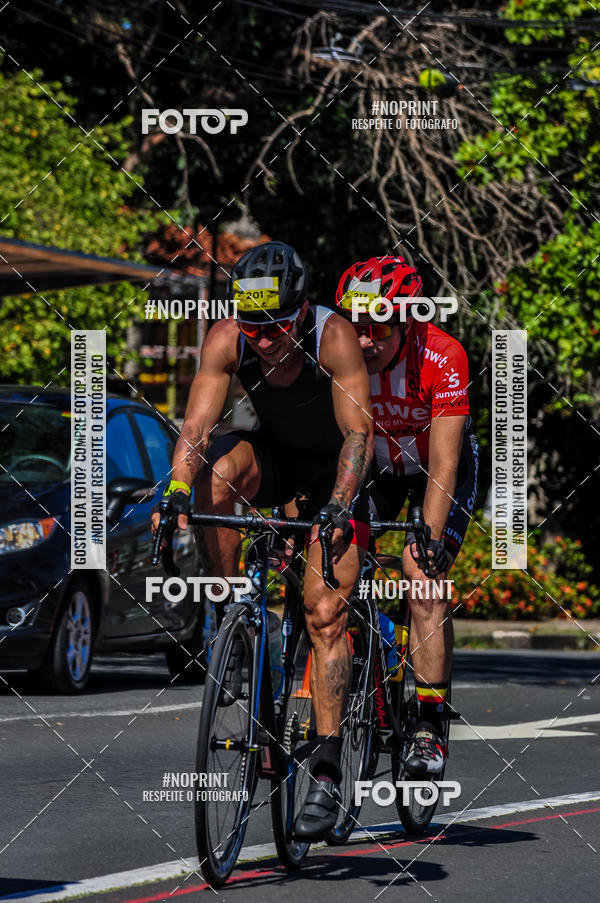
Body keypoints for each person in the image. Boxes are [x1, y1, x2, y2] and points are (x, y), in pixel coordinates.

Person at [152, 241, 373, 838]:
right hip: (277, 457)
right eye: (254, 326)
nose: (265, 338)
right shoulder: (229, 338)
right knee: (215, 476)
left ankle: (326, 772)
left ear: (301, 312)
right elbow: (197, 424)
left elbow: (357, 435)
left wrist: (337, 506)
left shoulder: (334, 338)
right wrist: (176, 489)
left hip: (336, 471)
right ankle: (234, 618)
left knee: (325, 614)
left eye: (276, 326)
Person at [335, 255, 478, 775]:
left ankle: (428, 725)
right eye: (357, 326)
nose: (366, 340)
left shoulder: (443, 356)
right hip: (375, 469)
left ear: (409, 320)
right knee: (333, 561)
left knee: (422, 577)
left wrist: (430, 541)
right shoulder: (339, 353)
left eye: (380, 327)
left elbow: (443, 462)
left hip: (435, 471)